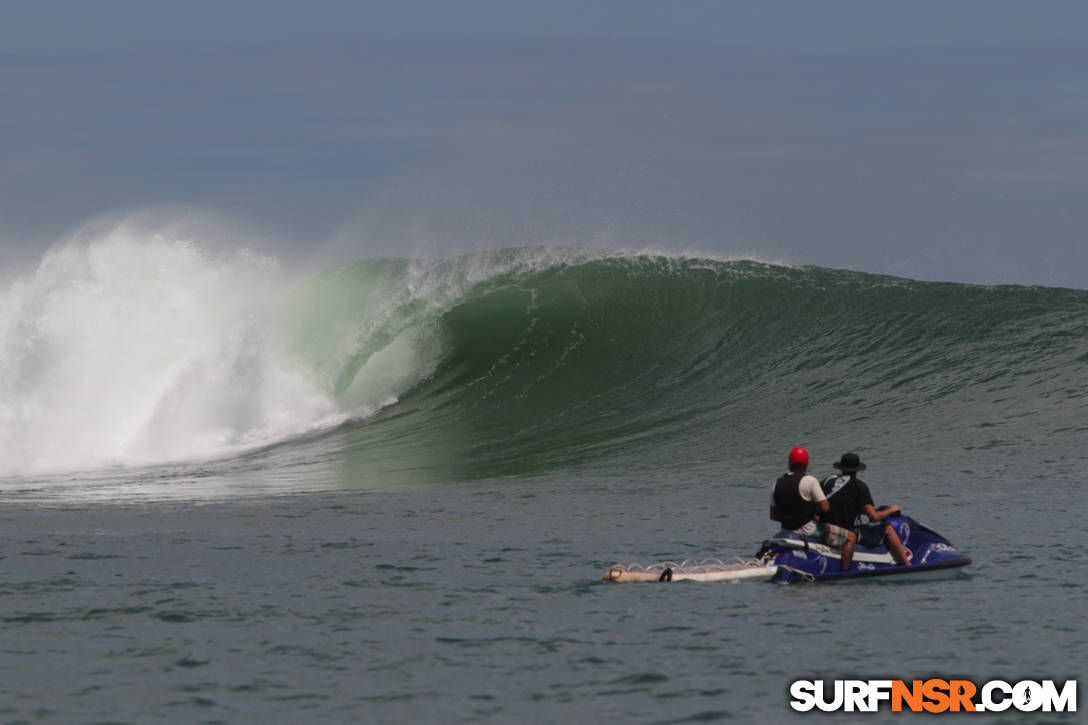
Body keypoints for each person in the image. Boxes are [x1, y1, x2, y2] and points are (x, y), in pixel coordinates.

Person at [770, 446, 856, 570]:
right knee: (851, 537)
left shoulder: (777, 483)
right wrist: (812, 514)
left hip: (785, 529)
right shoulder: (810, 481)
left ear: (789, 463)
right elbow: (825, 507)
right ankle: (846, 571)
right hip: (808, 529)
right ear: (806, 464)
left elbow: (773, 515)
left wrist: (789, 518)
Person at [820, 452, 912, 566]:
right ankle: (907, 564)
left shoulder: (827, 481)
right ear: (857, 470)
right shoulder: (859, 486)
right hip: (844, 533)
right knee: (888, 529)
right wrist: (892, 510)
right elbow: (874, 517)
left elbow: (836, 502)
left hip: (823, 528)